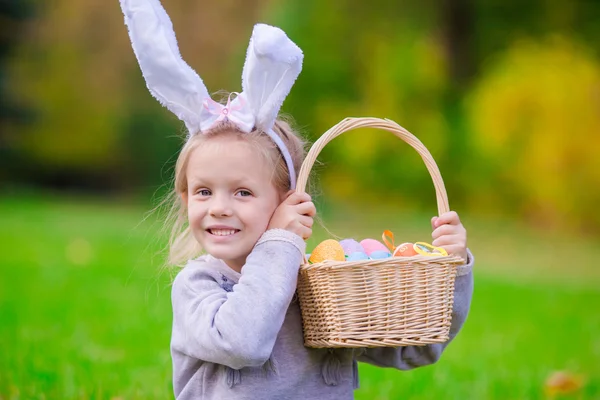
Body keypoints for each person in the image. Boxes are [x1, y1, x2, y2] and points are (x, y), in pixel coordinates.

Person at [119, 1, 475, 399]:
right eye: (204, 191)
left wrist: (453, 270)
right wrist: (278, 247)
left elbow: (418, 347)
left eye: (242, 192)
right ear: (185, 200)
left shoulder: (322, 286)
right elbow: (242, 343)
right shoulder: (199, 285)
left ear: (288, 202)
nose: (219, 206)